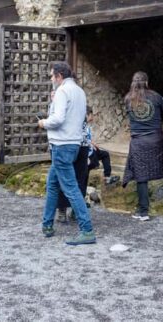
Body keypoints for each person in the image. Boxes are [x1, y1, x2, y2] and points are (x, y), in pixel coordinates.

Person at [38, 62, 95, 245]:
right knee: (53, 184)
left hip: (61, 144)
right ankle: (47, 224)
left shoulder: (62, 92)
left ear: (59, 76)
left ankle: (87, 230)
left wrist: (44, 123)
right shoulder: (80, 91)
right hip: (73, 143)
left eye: (52, 75)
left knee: (70, 188)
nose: (51, 79)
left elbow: (58, 119)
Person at [121, 71, 163, 222]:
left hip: (138, 142)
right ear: (147, 82)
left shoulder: (127, 99)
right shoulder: (156, 97)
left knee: (141, 176)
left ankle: (143, 211)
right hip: (156, 138)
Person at [56, 111, 90, 223]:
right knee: (79, 180)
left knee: (65, 178)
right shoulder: (80, 101)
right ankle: (75, 211)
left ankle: (64, 211)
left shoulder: (65, 106)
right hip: (81, 144)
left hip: (68, 143)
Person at [85, 106, 117, 185]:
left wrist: (93, 143)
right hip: (87, 153)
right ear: (87, 115)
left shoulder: (87, 126)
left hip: (91, 150)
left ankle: (107, 177)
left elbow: (88, 138)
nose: (92, 117)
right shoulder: (81, 126)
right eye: (91, 115)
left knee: (105, 154)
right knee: (85, 172)